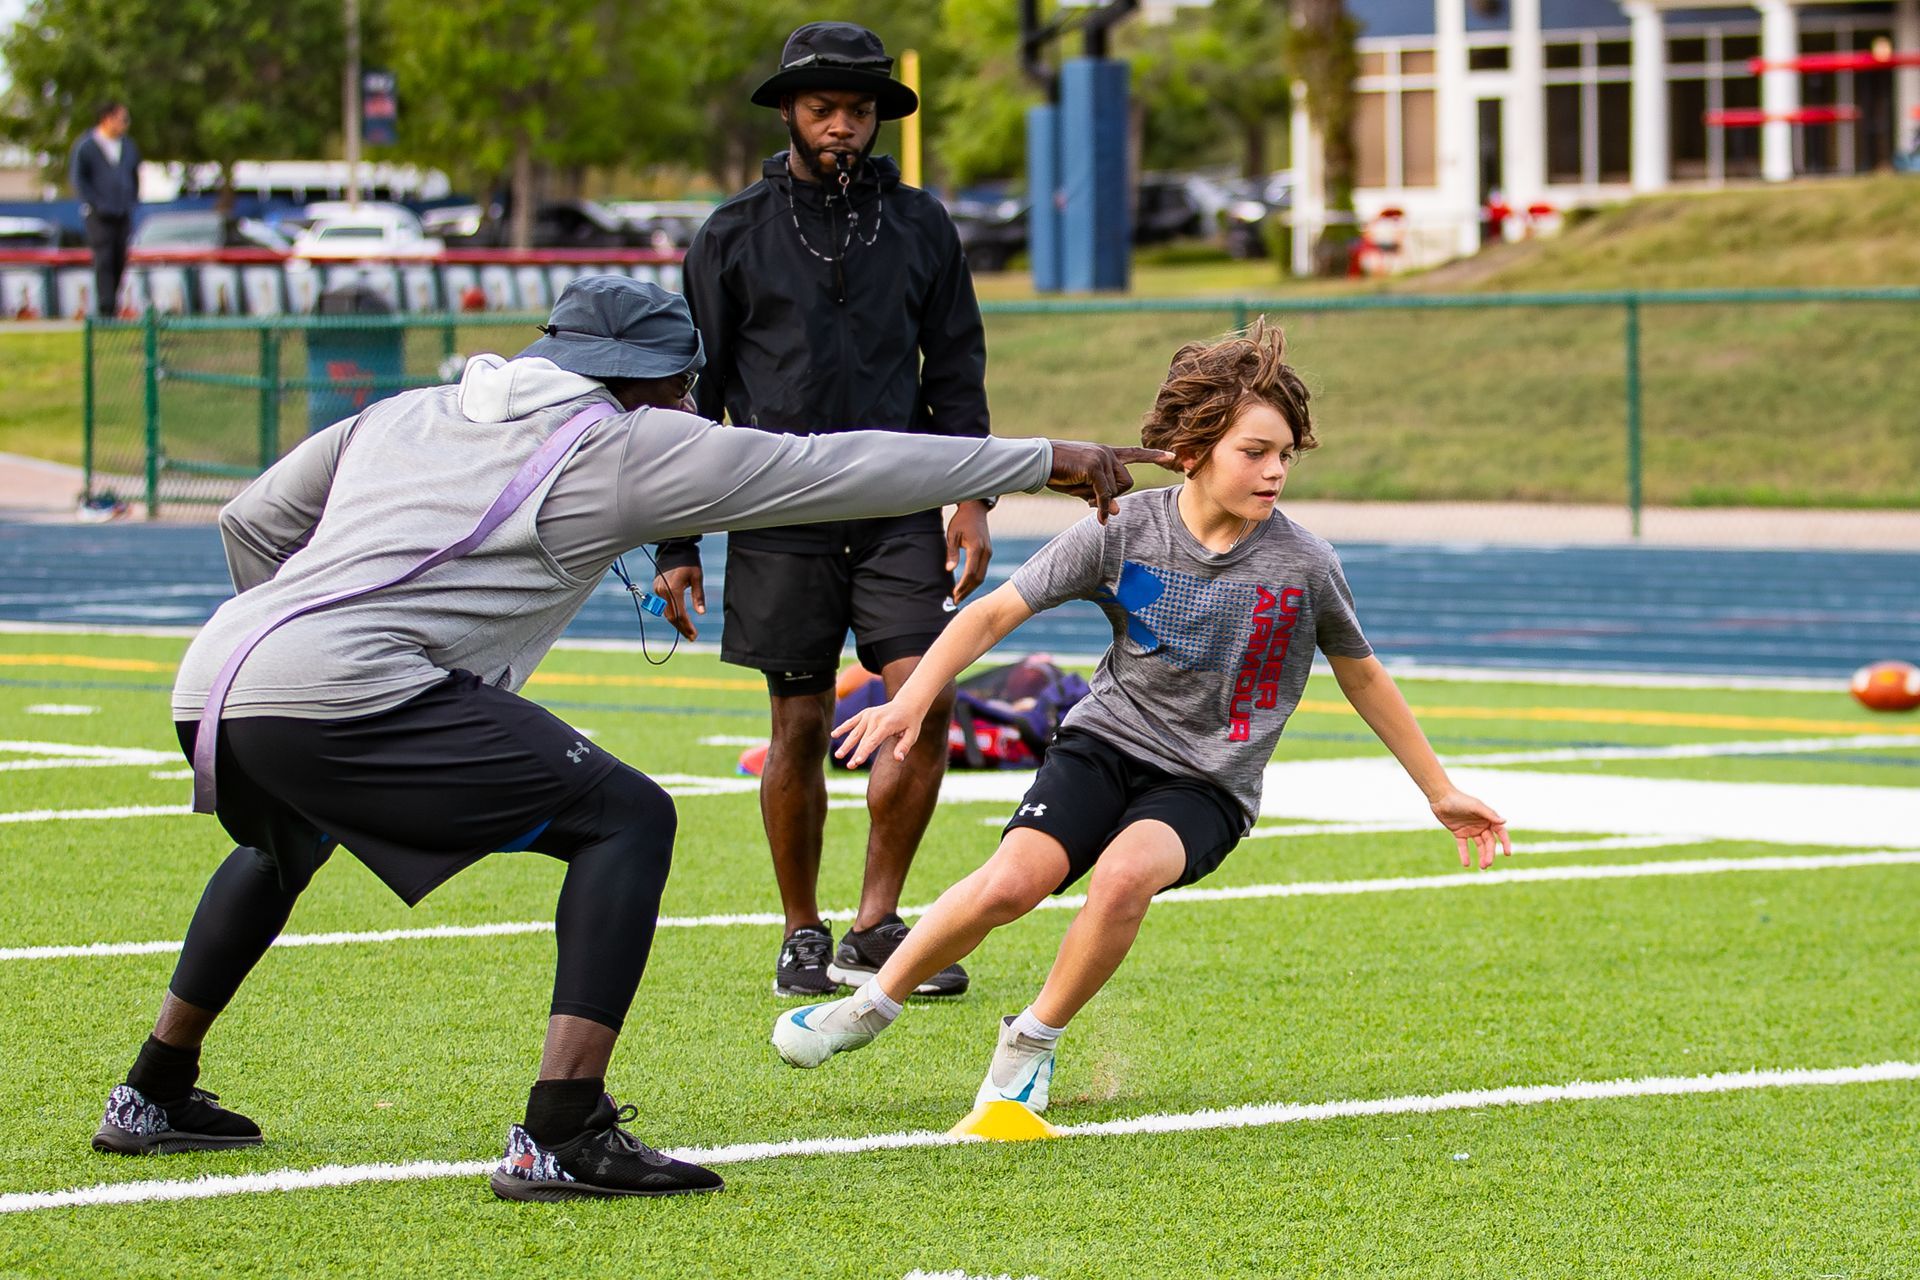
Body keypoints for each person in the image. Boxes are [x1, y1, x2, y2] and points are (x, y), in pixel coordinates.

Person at [88, 274, 1167, 1201]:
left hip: (219, 672)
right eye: (682, 383)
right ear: (641, 380)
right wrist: (1040, 458)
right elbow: (829, 468)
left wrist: (292, 657)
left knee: (284, 845)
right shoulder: (625, 442)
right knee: (628, 817)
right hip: (340, 682)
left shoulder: (409, 411)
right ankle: (562, 1129)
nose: (690, 401)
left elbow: (252, 521)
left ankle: (152, 1089)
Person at [770, 321, 1512, 1110]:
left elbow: (1362, 675)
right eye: (1253, 452)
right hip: (1105, 743)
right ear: (1192, 451)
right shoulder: (1122, 530)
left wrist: (1438, 789)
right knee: (1012, 885)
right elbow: (991, 617)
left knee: (1124, 877)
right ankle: (868, 1006)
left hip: (1208, 782)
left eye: (1286, 454)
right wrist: (910, 701)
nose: (1275, 472)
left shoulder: (1305, 564)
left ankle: (1030, 1045)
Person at [654, 22, 996, 1001]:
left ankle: (876, 923)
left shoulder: (925, 225)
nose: (842, 126)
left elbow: (957, 372)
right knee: (797, 718)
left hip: (898, 505)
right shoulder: (731, 235)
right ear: (791, 116)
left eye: (858, 110)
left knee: (923, 702)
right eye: (823, 109)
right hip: (777, 510)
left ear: (880, 115)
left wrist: (970, 495)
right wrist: (679, 539)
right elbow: (695, 395)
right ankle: (802, 929)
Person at [68, 100, 140, 317]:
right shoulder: (87, 146)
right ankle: (105, 309)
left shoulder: (127, 146)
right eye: (122, 119)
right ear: (107, 119)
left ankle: (113, 304)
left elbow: (134, 175)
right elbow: (79, 179)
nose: (125, 124)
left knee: (119, 259)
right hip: (99, 215)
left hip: (122, 212)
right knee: (104, 258)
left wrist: (131, 201)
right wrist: (95, 203)